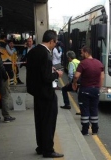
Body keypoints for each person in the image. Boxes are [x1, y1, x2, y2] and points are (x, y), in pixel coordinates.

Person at [26, 30, 64, 158]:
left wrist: (49, 70)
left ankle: (41, 146)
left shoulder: (33, 52)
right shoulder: (46, 54)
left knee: (40, 121)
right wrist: (56, 74)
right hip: (47, 94)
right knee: (49, 122)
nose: (55, 45)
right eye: (55, 42)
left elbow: (35, 71)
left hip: (37, 93)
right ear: (51, 41)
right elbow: (47, 78)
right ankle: (48, 150)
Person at [72, 46, 104, 135]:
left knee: (85, 109)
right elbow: (102, 77)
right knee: (94, 109)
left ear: (86, 53)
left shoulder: (83, 63)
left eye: (82, 53)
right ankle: (95, 129)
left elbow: (76, 76)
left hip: (85, 89)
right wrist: (98, 88)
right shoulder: (99, 63)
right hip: (95, 90)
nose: (81, 54)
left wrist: (74, 83)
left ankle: (85, 130)